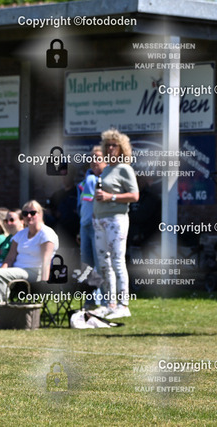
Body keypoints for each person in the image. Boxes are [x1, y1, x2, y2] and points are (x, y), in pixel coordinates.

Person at [0, 200, 59, 329]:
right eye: (25, 213)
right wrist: (1, 271)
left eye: (32, 213)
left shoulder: (47, 234)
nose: (29, 216)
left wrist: (44, 283)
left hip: (35, 271)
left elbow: (46, 261)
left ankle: (1, 316)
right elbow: (9, 258)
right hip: (16, 270)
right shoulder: (20, 234)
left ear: (40, 214)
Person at [92, 129, 139, 319]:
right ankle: (110, 303)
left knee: (117, 261)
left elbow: (134, 195)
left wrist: (110, 196)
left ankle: (123, 304)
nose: (110, 148)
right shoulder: (106, 169)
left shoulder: (124, 169)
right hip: (99, 219)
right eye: (108, 145)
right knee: (104, 263)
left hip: (116, 219)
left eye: (114, 145)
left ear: (122, 148)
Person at [76, 146, 106, 308]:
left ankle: (105, 300)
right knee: (87, 266)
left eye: (98, 158)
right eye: (92, 158)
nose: (94, 161)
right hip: (85, 227)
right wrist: (79, 229)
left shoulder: (107, 180)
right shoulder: (85, 182)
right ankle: (91, 300)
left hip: (99, 227)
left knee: (100, 265)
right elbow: (82, 207)